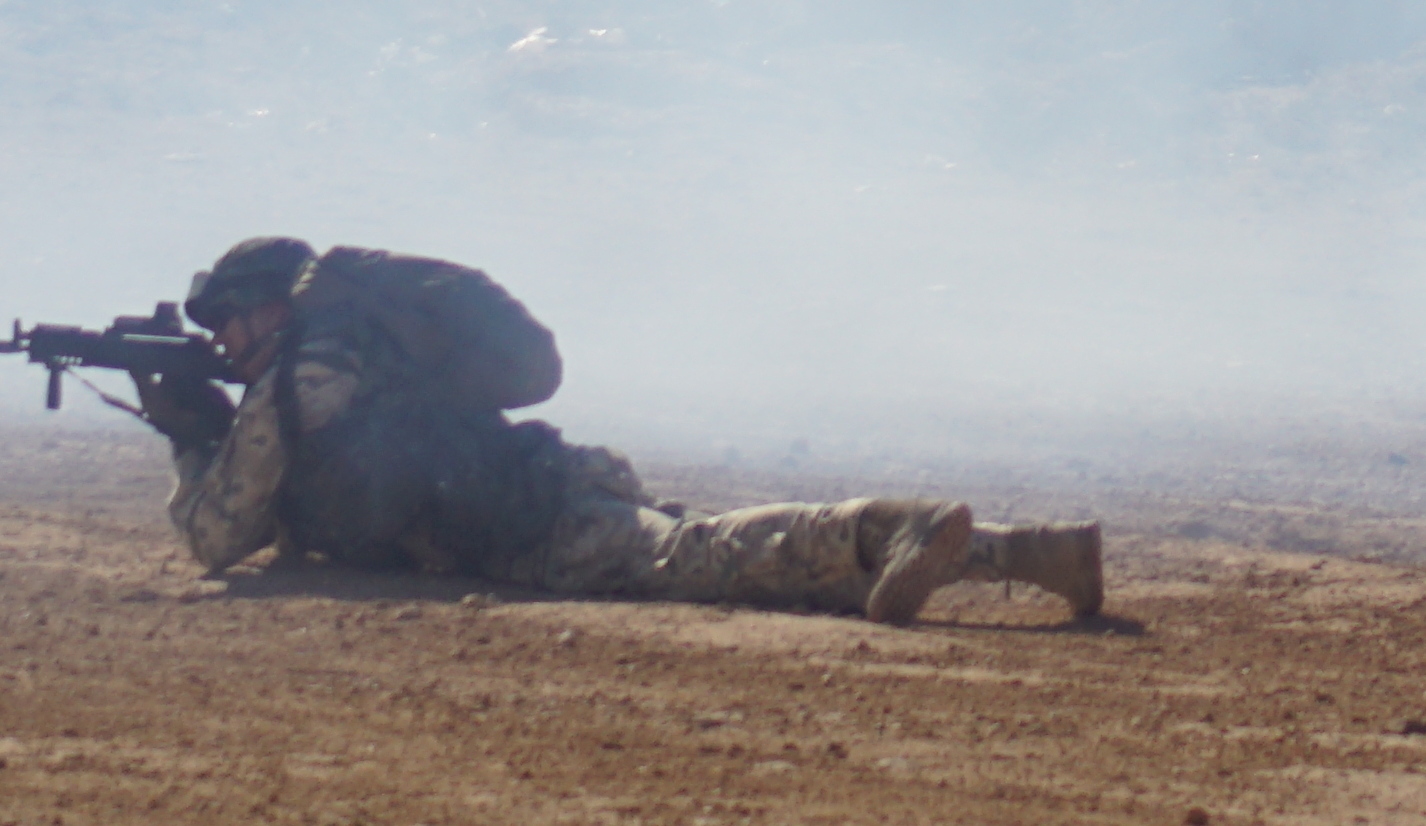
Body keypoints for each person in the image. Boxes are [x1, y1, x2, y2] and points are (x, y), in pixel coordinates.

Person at [128, 236, 1106, 625]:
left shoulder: (297, 380)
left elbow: (219, 538)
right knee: (759, 570)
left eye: (227, 321)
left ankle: (903, 522)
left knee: (715, 554)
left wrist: (188, 435)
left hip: (537, 527)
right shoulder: (355, 352)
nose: (222, 341)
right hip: (547, 489)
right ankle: (1033, 553)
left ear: (266, 308)